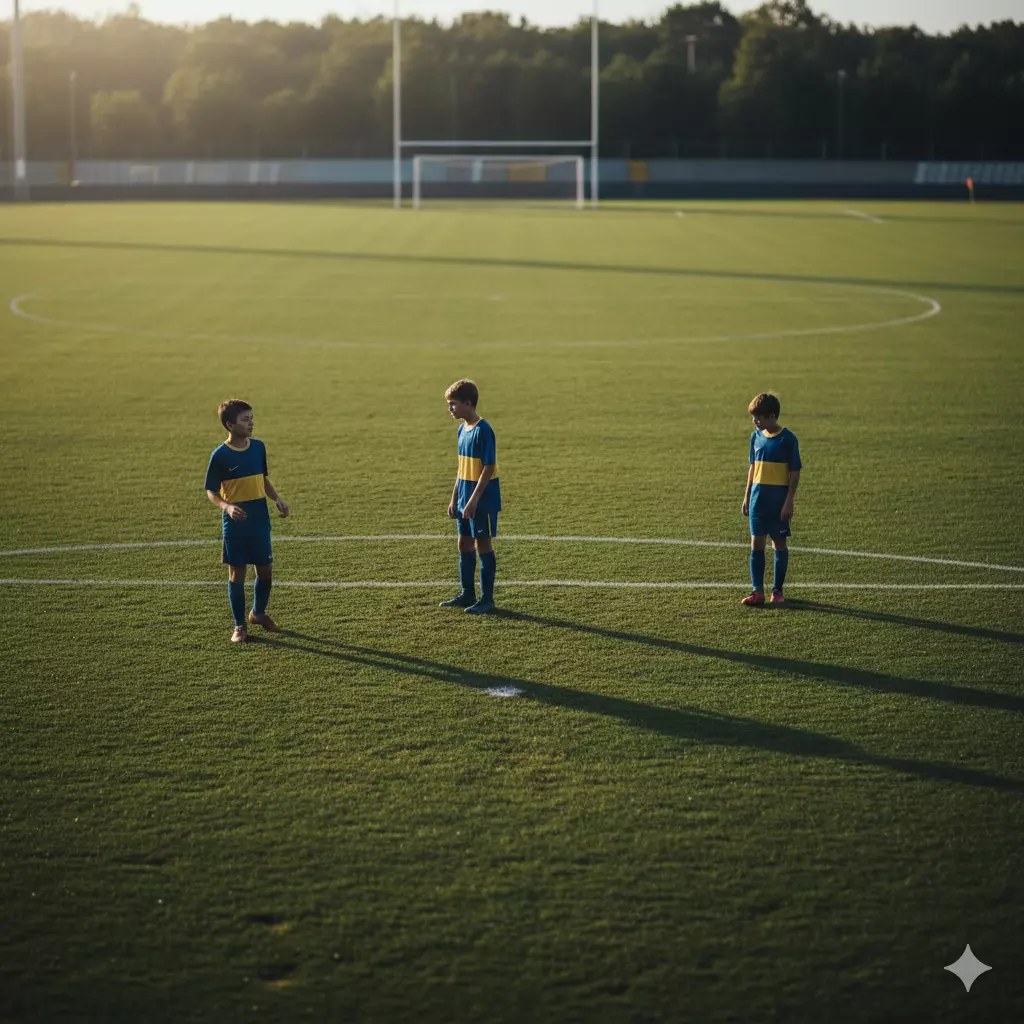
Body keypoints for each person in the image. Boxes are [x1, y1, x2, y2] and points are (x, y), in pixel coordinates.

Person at [204, 399, 289, 642]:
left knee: (265, 571)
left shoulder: (259, 447)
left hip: (260, 519)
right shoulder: (220, 456)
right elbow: (211, 491)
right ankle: (239, 625)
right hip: (236, 524)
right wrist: (227, 507)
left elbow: (261, 478)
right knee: (237, 574)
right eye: (245, 419)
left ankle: (258, 613)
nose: (251, 423)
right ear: (230, 425)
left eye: (252, 417)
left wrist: (277, 499)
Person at [440, 379, 501, 614]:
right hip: (465, 495)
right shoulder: (461, 429)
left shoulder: (483, 430)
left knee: (482, 543)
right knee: (464, 543)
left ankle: (487, 600)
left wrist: (474, 499)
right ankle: (467, 594)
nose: (450, 409)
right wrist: (454, 498)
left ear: (468, 403)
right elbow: (461, 467)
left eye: (453, 404)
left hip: (482, 497)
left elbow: (488, 467)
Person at [741, 392, 801, 606]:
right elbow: (753, 467)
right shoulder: (755, 437)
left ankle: (777, 590)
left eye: (759, 417)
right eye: (753, 417)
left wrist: (789, 500)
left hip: (778, 503)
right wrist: (747, 496)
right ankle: (757, 591)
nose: (755, 421)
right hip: (758, 500)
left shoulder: (788, 439)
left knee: (779, 543)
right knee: (756, 544)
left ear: (773, 416)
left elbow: (795, 472)